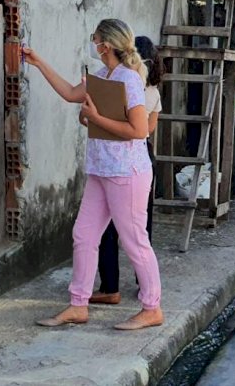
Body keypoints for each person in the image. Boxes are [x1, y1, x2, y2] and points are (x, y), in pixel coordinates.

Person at [23, 18, 163, 330]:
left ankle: (152, 307)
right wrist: (38, 62)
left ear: (106, 45)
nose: (93, 43)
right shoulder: (103, 76)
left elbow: (139, 130)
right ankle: (77, 304)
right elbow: (71, 93)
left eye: (95, 38)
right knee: (84, 235)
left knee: (134, 241)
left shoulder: (128, 80)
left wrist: (95, 116)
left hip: (127, 172)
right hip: (101, 169)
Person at [90, 35, 163, 305]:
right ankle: (142, 286)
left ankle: (110, 286)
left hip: (117, 162)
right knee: (141, 229)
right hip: (143, 159)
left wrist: (103, 121)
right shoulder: (152, 91)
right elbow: (149, 130)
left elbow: (94, 119)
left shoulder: (117, 85)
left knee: (108, 230)